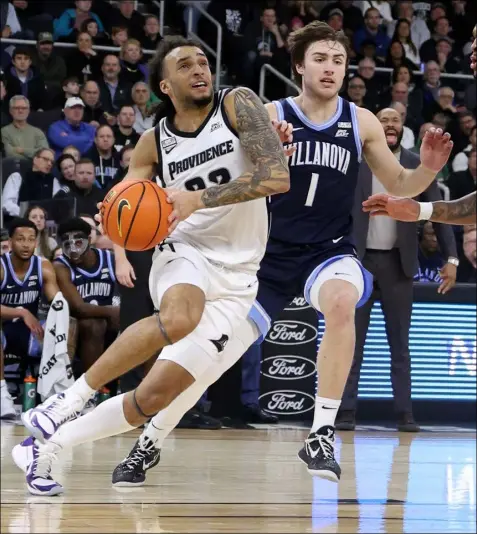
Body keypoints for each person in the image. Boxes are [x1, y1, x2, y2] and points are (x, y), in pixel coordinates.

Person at [115, 21, 453, 486]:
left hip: (328, 250)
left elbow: (400, 185)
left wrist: (429, 169)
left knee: (341, 303)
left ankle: (321, 433)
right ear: (298, 66)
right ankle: (149, 440)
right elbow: (220, 167)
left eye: (338, 60)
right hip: (262, 257)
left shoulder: (362, 121)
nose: (331, 68)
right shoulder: (267, 112)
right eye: (320, 59)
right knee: (212, 358)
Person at [17, 34, 290, 496]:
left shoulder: (238, 104)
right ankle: (67, 400)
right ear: (165, 85)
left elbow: (276, 176)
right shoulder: (152, 141)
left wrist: (195, 196)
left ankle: (46, 447)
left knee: (154, 397)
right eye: (185, 65)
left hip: (240, 275)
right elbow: (122, 207)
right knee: (179, 317)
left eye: (203, 61)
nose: (200, 69)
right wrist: (113, 222)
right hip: (184, 250)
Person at [337, 107, 457, 433]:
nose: (390, 125)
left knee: (400, 346)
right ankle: (346, 411)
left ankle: (405, 414)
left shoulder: (418, 164)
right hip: (358, 262)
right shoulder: (355, 159)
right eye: (384, 120)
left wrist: (452, 258)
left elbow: (440, 213)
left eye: (395, 120)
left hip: (398, 264)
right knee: (351, 343)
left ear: (402, 128)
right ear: (375, 126)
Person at [53, 218, 119, 400]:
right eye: (67, 244)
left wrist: (116, 311)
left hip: (111, 323)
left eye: (79, 242)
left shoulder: (110, 259)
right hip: (78, 327)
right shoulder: (60, 266)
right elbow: (79, 308)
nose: (73, 250)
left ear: (89, 240)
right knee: (93, 324)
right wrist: (111, 311)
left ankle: (133, 387)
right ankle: (91, 392)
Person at [0, 218, 59, 417]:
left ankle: (57, 391)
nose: (26, 244)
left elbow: (57, 301)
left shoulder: (43, 266)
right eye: (20, 239)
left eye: (31, 239)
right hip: (4, 329)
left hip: (31, 330)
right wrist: (21, 311)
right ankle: (3, 396)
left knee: (66, 324)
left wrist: (59, 318)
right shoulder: (1, 266)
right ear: (10, 242)